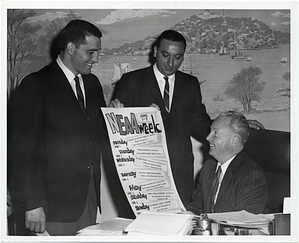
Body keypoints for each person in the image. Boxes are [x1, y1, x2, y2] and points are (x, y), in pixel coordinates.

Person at [110, 29, 264, 207]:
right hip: (142, 171)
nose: (170, 63)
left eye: (177, 57)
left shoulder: (190, 84)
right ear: (154, 52)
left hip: (180, 172)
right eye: (165, 55)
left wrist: (237, 126)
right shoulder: (131, 81)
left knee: (180, 225)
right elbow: (117, 136)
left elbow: (201, 124)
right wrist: (118, 116)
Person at [8, 19, 108, 235]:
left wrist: (122, 114)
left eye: (98, 53)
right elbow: (23, 152)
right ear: (71, 48)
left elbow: (100, 134)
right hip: (51, 208)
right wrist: (33, 205)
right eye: (91, 52)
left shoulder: (93, 84)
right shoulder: (35, 85)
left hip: (88, 201)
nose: (96, 59)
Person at [185, 111, 267, 214]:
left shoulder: (251, 176)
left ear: (234, 141)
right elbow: (196, 208)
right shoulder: (208, 167)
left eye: (215, 133)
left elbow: (242, 225)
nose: (207, 138)